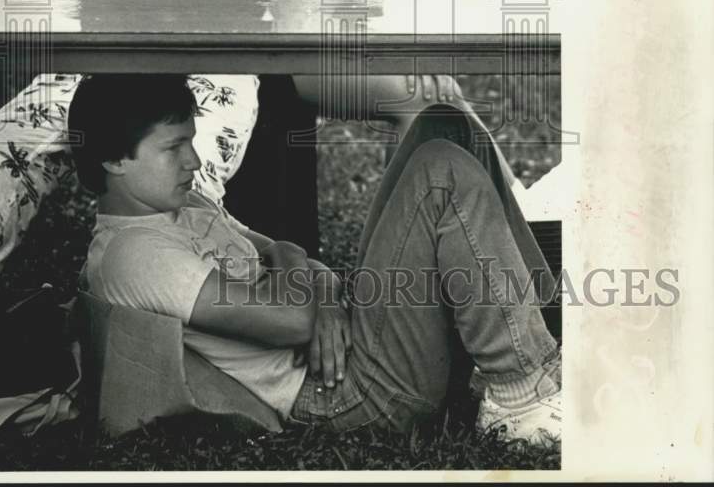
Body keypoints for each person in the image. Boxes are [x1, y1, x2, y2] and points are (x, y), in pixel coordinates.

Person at [73, 74, 561, 444]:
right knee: (441, 172)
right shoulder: (136, 254)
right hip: (347, 392)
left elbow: (286, 253)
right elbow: (291, 321)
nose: (194, 162)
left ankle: (539, 337)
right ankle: (520, 397)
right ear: (114, 160)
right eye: (173, 147)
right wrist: (309, 287)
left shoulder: (185, 205)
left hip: (350, 337)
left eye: (191, 142)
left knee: (444, 122)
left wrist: (322, 292)